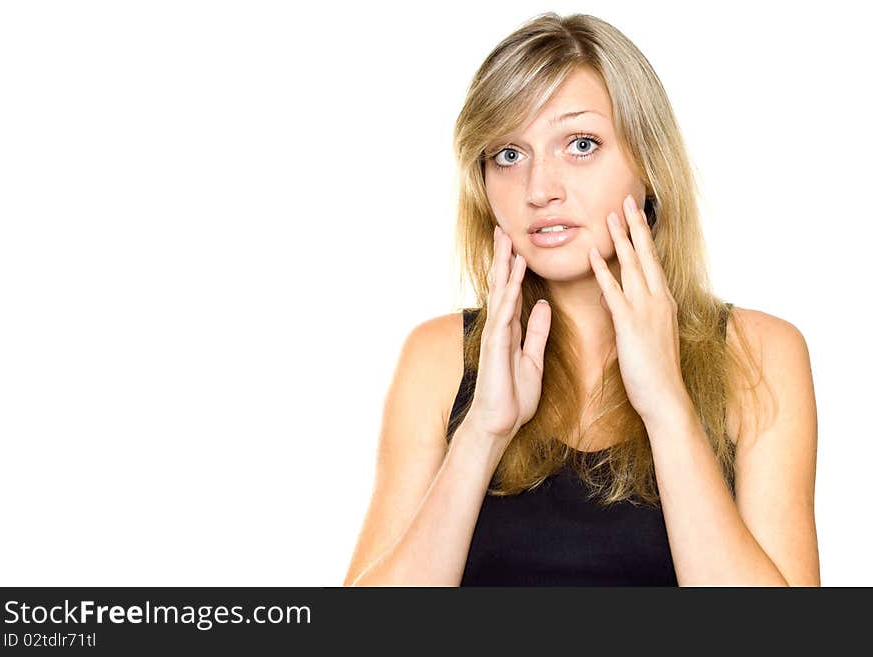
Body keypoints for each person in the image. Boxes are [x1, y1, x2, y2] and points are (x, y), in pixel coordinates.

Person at [343, 12, 820, 586]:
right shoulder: (437, 358)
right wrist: (483, 433)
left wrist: (668, 408)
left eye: (581, 144)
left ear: (648, 163)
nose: (540, 189)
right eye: (509, 155)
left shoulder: (760, 355)